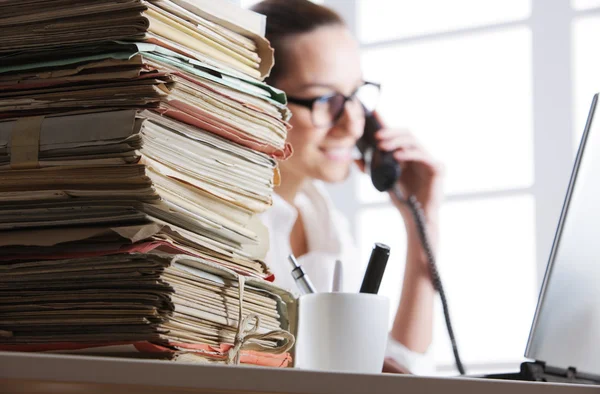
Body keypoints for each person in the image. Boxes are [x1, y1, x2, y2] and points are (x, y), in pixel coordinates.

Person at [252, 0, 444, 375]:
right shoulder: (230, 222)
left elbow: (398, 367)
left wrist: (421, 220)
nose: (353, 125)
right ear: (259, 101)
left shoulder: (321, 217)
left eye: (356, 95)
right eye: (327, 99)